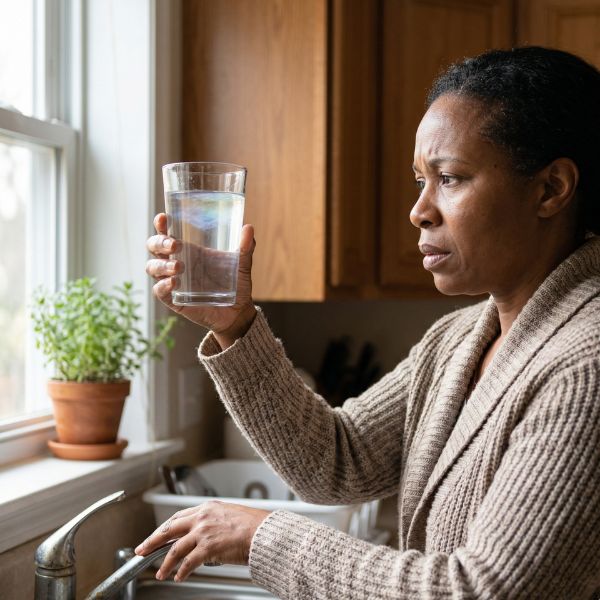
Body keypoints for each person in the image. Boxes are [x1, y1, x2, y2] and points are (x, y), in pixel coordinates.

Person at [139, 46, 600, 599]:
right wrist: (235, 325)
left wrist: (263, 536)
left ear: (551, 189)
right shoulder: (457, 340)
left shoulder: (585, 368)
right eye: (419, 181)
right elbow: (338, 462)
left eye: (449, 178)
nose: (420, 210)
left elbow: (480, 591)